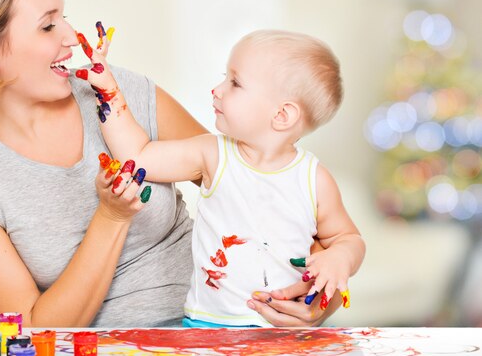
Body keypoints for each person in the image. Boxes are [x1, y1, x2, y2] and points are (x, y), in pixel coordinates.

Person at [0, 0, 339, 328]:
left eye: (64, 16)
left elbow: (261, 185)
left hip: (222, 327)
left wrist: (325, 295)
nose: (70, 36)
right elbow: (35, 331)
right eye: (47, 26)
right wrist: (112, 217)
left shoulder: (122, 96)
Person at [77, 29, 365, 327]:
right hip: (207, 328)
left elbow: (348, 238)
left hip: (284, 333)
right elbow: (138, 155)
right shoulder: (213, 155)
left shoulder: (313, 179)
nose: (217, 89)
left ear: (282, 115)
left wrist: (340, 258)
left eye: (235, 83)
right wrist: (108, 91)